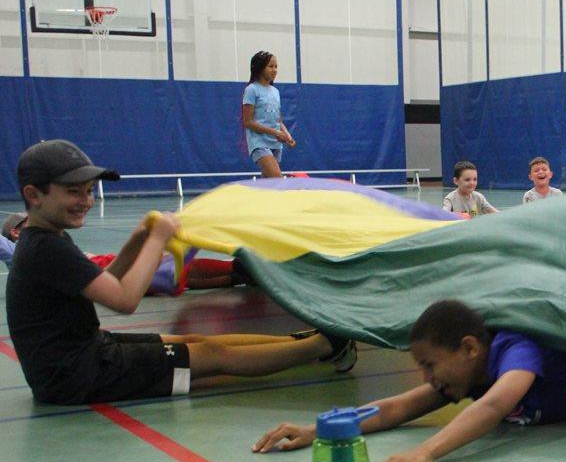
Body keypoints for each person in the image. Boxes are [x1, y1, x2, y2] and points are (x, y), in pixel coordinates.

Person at [6, 140, 356, 406]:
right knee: (213, 356)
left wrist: (137, 241)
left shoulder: (48, 238)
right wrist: (158, 239)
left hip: (80, 358)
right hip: (79, 376)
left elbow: (107, 280)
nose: (85, 201)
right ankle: (326, 345)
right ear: (33, 195)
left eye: (87, 191)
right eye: (73, 192)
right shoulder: (46, 247)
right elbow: (124, 300)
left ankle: (305, 341)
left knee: (195, 342)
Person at [254, 299, 566, 462]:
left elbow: (495, 406)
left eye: (429, 365)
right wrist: (322, 429)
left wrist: (426, 451)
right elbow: (396, 409)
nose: (425, 378)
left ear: (470, 349)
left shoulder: (516, 348)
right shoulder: (465, 377)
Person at [3, 209, 247, 293]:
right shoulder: (22, 250)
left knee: (175, 273)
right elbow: (124, 302)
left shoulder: (44, 244)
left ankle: (236, 274)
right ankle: (237, 271)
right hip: (99, 270)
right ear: (15, 232)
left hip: (98, 264)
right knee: (171, 272)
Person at [241, 51, 295, 179]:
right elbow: (247, 122)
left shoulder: (275, 92)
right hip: (259, 143)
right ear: (260, 68)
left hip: (275, 144)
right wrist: (276, 133)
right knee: (277, 179)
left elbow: (278, 120)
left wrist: (287, 135)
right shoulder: (251, 90)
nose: (275, 70)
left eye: (276, 67)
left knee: (269, 185)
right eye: (270, 66)